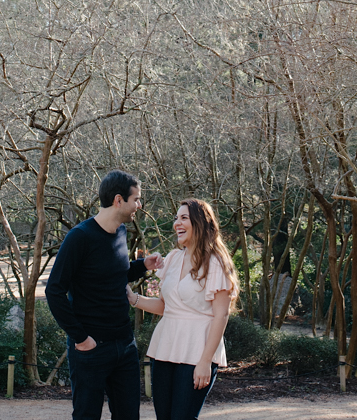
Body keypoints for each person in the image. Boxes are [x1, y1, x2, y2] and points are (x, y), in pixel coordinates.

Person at [46, 170, 163, 420]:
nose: (139, 206)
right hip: (91, 348)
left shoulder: (120, 232)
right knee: (87, 416)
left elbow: (113, 275)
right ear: (119, 200)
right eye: (137, 200)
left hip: (125, 344)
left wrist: (143, 265)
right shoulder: (80, 237)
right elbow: (54, 290)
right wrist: (81, 338)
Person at [126, 198, 236, 420]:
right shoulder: (173, 258)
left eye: (184, 218)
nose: (177, 223)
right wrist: (133, 298)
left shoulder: (216, 262)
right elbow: (166, 307)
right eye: (176, 218)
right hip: (165, 347)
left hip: (198, 351)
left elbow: (221, 315)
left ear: (201, 223)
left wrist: (205, 362)